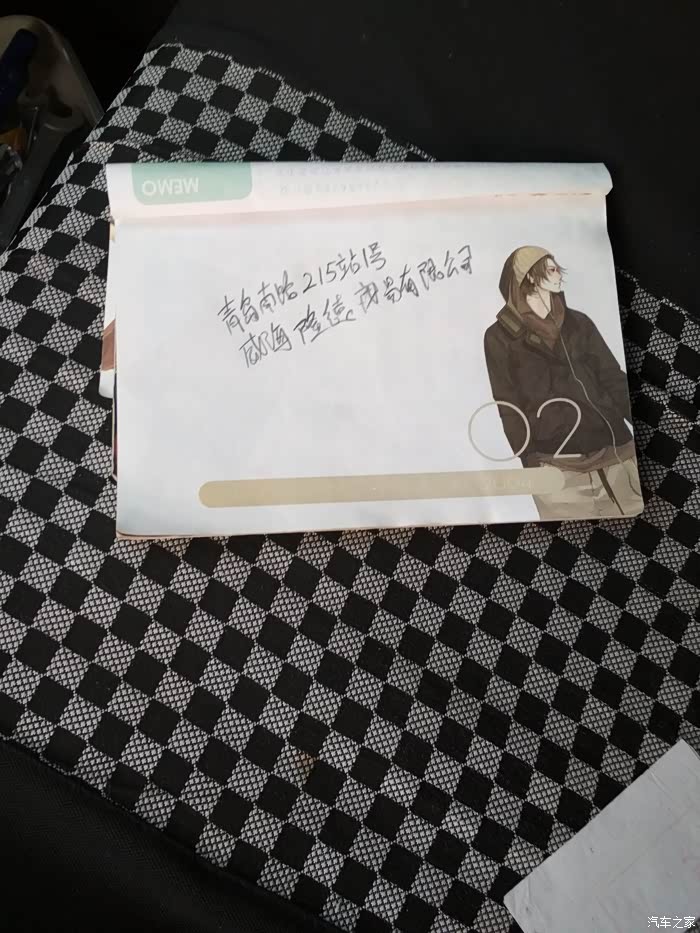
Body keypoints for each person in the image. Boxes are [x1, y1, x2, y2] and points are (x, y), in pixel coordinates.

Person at [483, 245, 643, 520]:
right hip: (555, 468)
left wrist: (640, 431)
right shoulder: (498, 338)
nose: (560, 274)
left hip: (617, 452)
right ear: (529, 276)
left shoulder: (579, 322)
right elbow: (507, 404)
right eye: (551, 269)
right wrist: (530, 462)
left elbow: (613, 378)